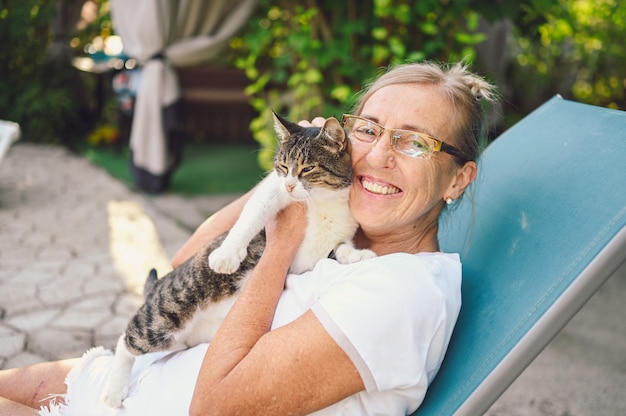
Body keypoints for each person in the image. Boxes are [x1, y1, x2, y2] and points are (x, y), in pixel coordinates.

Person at [0, 61, 497, 415]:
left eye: (415, 142)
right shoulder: (347, 234)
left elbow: (213, 408)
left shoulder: (399, 293)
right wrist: (285, 183)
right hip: (136, 374)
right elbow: (186, 265)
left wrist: (280, 246)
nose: (377, 156)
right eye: (368, 129)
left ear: (459, 178)